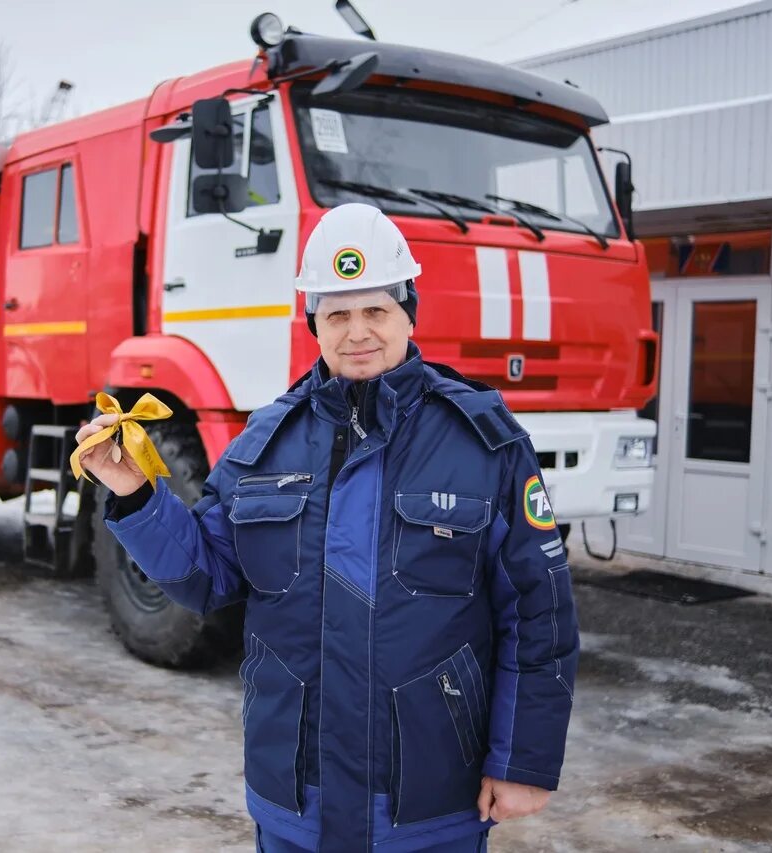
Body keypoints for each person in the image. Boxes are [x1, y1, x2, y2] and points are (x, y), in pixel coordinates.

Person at [77, 204, 579, 853]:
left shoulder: (483, 441)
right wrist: (137, 492)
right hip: (297, 800)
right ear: (314, 321)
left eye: (376, 311)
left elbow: (540, 612)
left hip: (430, 800)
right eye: (338, 314)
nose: (358, 331)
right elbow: (207, 575)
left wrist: (523, 761)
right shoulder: (266, 440)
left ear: (408, 313)